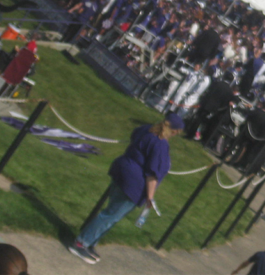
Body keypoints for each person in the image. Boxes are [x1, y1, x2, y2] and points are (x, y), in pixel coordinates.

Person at [69, 113, 182, 264]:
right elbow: (152, 174)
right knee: (110, 215)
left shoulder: (147, 129)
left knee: (112, 214)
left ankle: (90, 243)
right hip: (134, 182)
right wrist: (150, 198)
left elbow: (133, 135)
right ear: (174, 131)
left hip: (122, 169)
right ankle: (80, 243)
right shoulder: (161, 144)